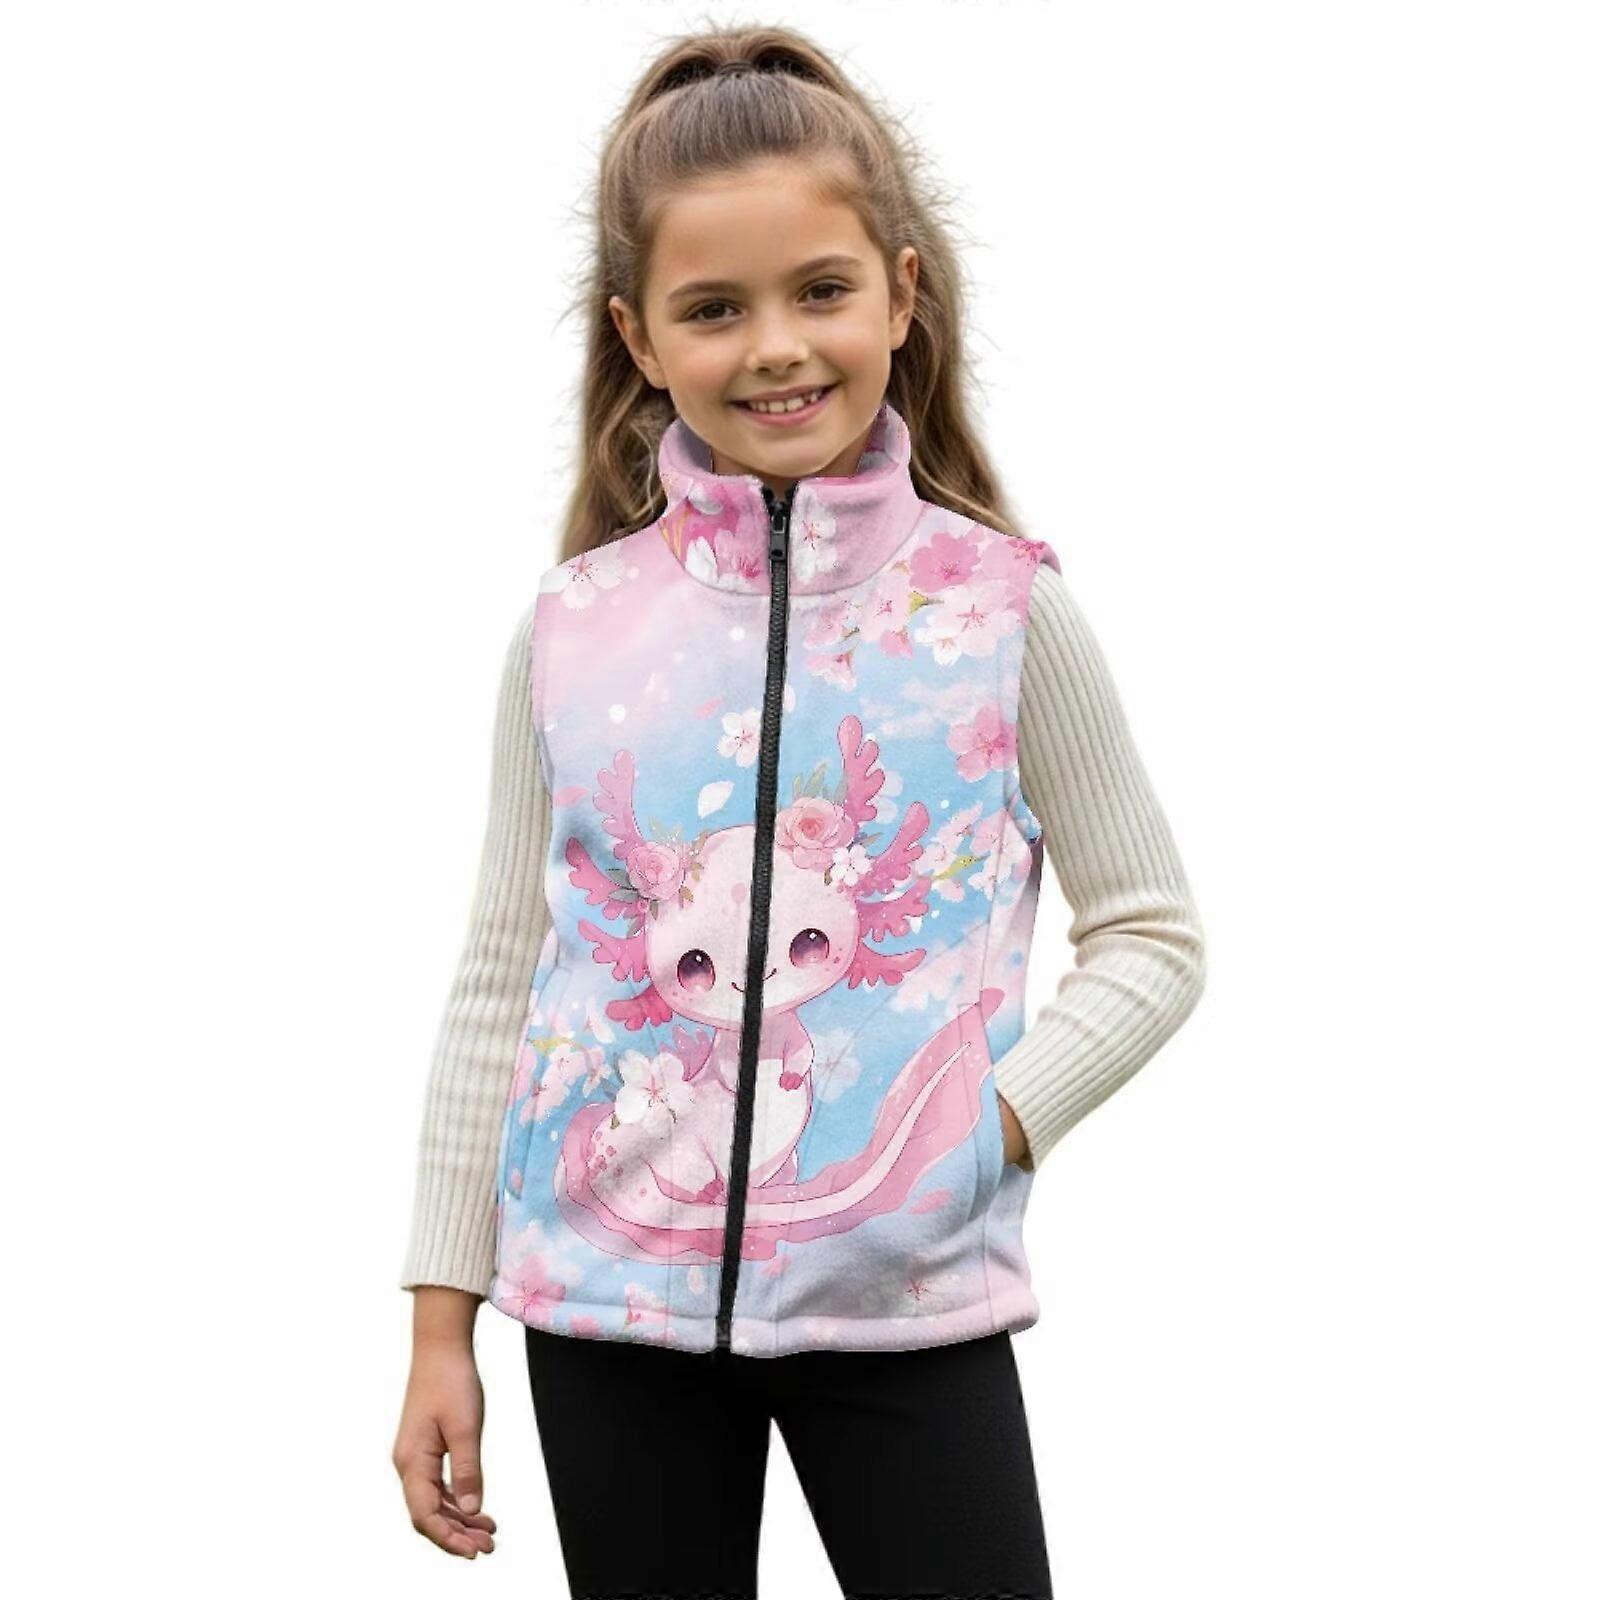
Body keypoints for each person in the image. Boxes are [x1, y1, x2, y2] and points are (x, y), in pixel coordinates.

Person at [392, 24, 1206, 1598]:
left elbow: (1154, 935)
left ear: (901, 294)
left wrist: (984, 1130)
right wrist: (442, 1318)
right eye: (715, 308)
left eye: (820, 290)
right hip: (607, 1313)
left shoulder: (999, 614)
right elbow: (503, 976)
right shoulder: (573, 631)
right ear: (640, 338)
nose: (776, 346)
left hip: (906, 1301)